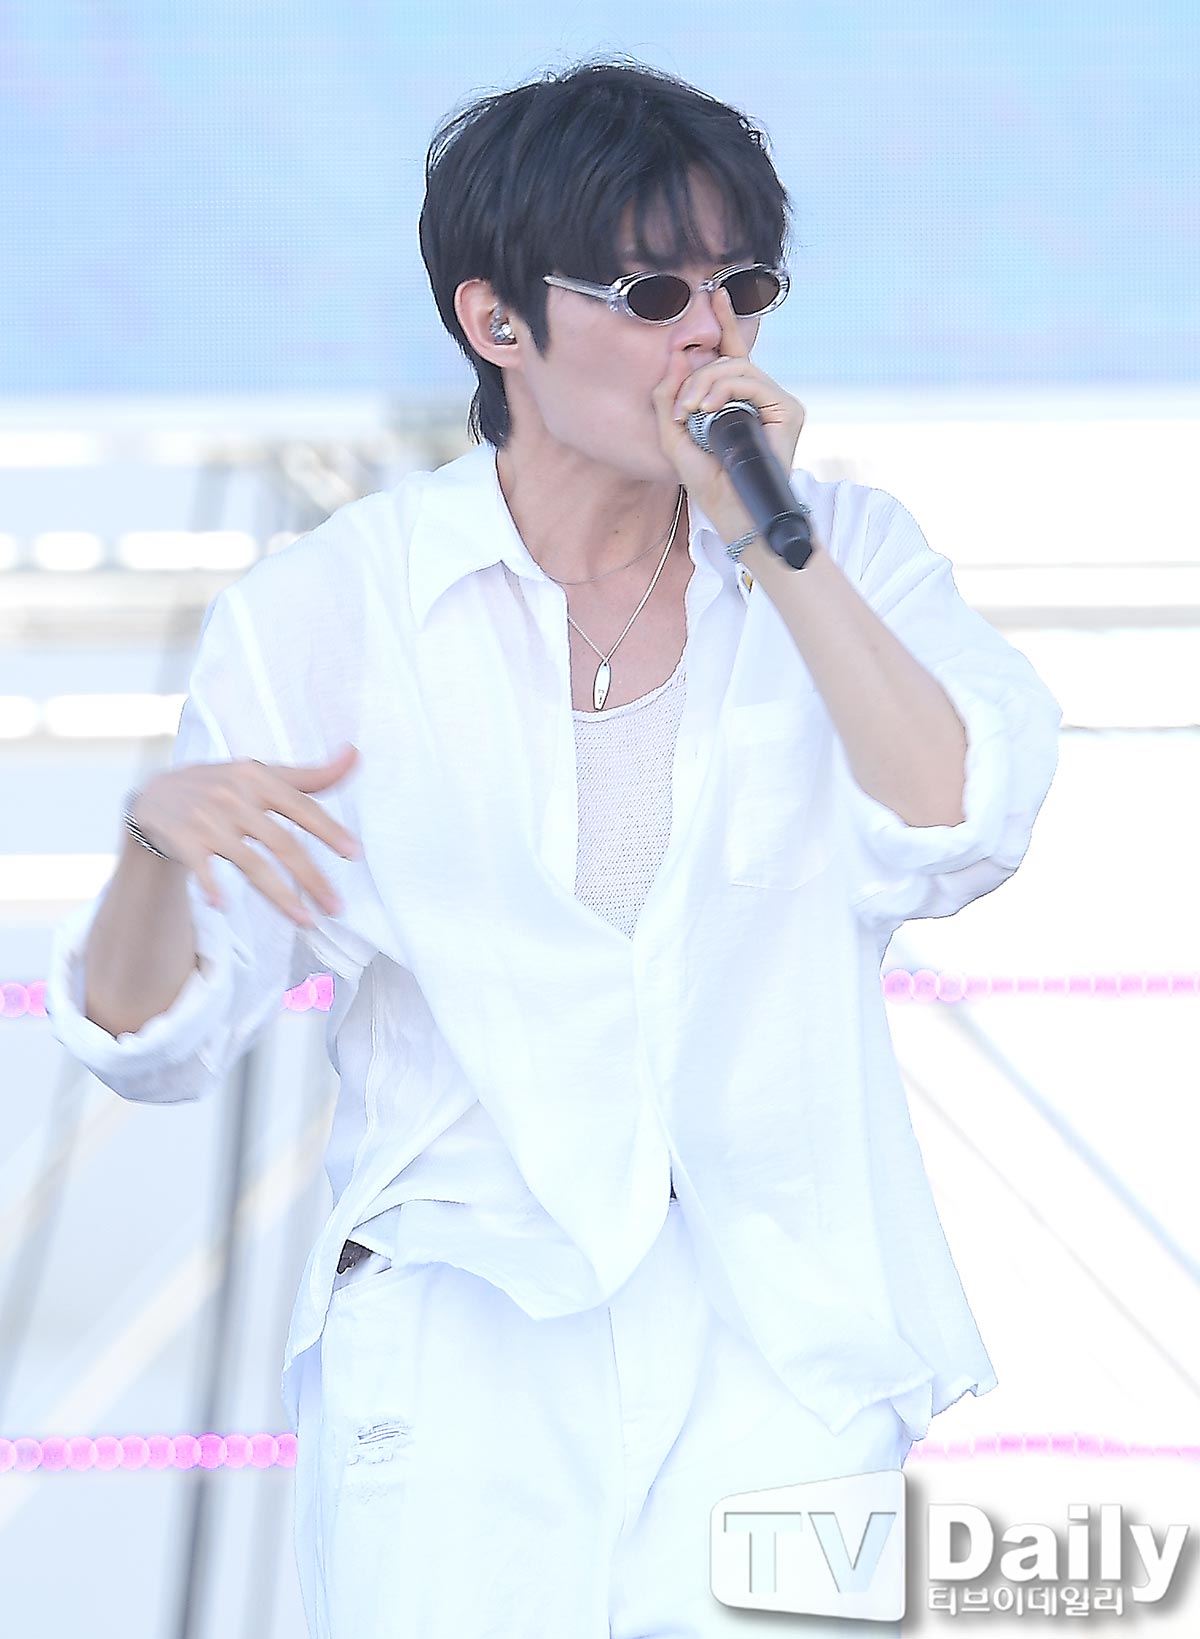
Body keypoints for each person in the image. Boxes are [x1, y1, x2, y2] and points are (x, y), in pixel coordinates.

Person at [46, 57, 1062, 1639]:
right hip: (463, 1334)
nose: (709, 333)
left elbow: (956, 824)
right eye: (654, 292)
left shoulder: (849, 555)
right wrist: (150, 856)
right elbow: (156, 1042)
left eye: (743, 287)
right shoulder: (336, 607)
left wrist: (770, 545)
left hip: (780, 1338)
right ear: (495, 320)